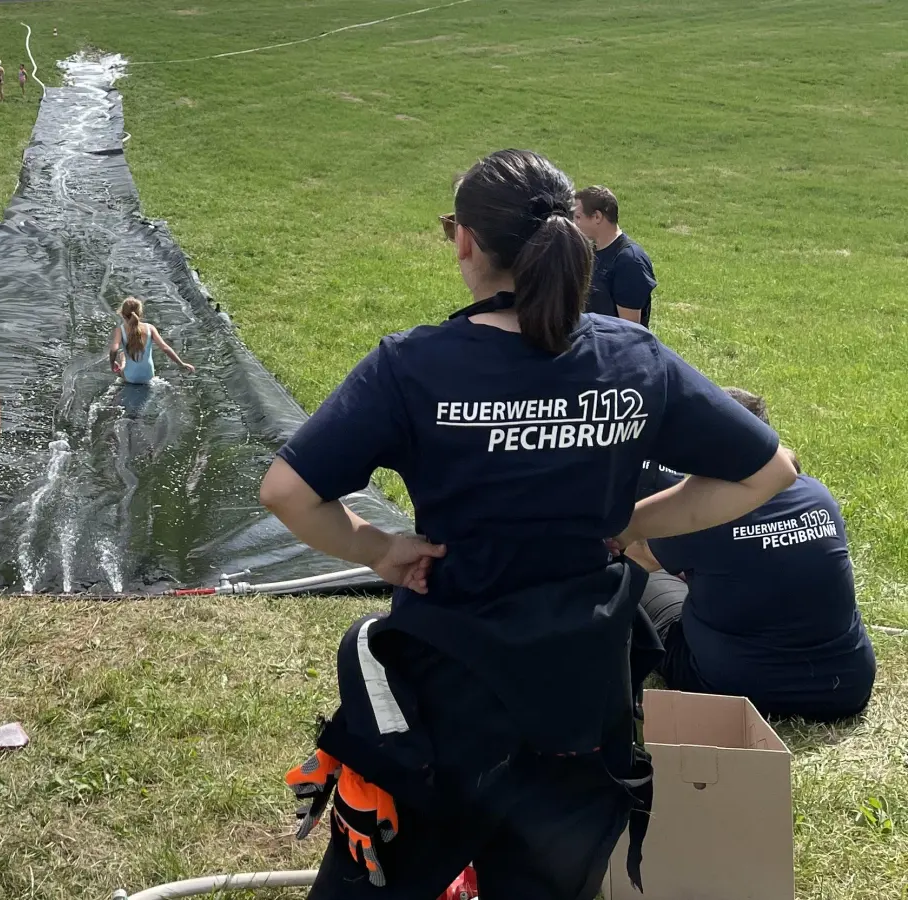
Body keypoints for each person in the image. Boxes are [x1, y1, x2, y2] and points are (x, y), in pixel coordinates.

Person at [260, 149, 795, 900]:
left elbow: (286, 491)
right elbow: (770, 472)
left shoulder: (413, 367)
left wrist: (377, 548)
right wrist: (629, 522)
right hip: (582, 708)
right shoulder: (631, 358)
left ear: (467, 242)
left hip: (443, 715)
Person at [627, 388, 874, 723]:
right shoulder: (818, 495)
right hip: (845, 688)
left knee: (647, 577)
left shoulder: (701, 513)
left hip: (732, 689)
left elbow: (634, 551)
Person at [573, 185, 656, 328]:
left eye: (578, 217)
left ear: (597, 217)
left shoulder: (629, 261)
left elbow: (630, 330)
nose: (574, 223)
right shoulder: (591, 251)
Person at [107, 297, 195, 385]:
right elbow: (165, 348)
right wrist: (182, 364)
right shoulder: (150, 328)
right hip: (148, 376)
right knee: (125, 356)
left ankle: (123, 362)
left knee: (121, 363)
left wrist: (112, 364)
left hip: (130, 378)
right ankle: (124, 360)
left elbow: (114, 349)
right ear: (140, 314)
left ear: (122, 314)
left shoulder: (120, 330)